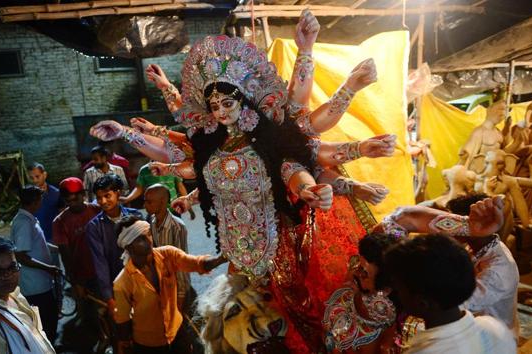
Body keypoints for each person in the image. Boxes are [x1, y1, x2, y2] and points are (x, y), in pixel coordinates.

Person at [89, 10, 392, 352]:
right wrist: (125, 132)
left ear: (244, 99)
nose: (220, 110)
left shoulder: (268, 141)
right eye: (214, 104)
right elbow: (173, 155)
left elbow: (291, 168)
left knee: (292, 328)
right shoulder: (208, 146)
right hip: (238, 255)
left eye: (227, 101)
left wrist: (308, 190)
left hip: (279, 252)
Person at [384, 234, 516, 354]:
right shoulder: (494, 328)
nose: (397, 293)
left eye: (399, 288)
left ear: (422, 303)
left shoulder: (423, 351)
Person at [113, 215, 227, 354]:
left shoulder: (167, 254)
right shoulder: (122, 282)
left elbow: (196, 263)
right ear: (128, 246)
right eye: (140, 239)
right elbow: (123, 320)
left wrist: (221, 258)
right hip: (149, 345)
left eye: (148, 234)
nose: (148, 241)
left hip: (177, 332)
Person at [446, 194, 519, 337]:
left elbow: (459, 305)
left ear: (474, 224)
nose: (446, 228)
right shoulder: (476, 247)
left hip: (493, 340)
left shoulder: (497, 270)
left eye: (451, 223)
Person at [323, 233, 401, 354]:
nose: (354, 273)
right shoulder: (350, 288)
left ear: (385, 290)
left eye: (364, 274)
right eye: (356, 263)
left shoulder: (384, 341)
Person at [10, 185, 61, 343]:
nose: (41, 203)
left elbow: (41, 244)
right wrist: (49, 268)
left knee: (49, 318)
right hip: (35, 286)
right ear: (34, 202)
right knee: (45, 322)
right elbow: (21, 256)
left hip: (41, 283)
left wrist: (60, 249)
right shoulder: (24, 223)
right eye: (40, 200)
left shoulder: (30, 219)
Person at [85, 174, 142, 317]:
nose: (103, 201)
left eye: (107, 196)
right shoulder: (94, 227)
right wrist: (109, 297)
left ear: (118, 193)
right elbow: (100, 263)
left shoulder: (137, 217)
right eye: (99, 198)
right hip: (116, 284)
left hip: (140, 281)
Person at [52, 177, 100, 320]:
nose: (73, 204)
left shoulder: (97, 210)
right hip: (81, 273)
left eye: (76, 199)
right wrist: (75, 281)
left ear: (83, 194)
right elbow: (65, 254)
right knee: (88, 311)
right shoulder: (60, 222)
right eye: (69, 201)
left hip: (101, 269)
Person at [144, 184, 191, 309]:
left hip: (177, 284)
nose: (145, 206)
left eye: (149, 202)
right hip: (162, 282)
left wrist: (181, 294)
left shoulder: (177, 227)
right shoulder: (151, 222)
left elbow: (181, 262)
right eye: (145, 201)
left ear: (163, 201)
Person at [120, 162, 190, 217]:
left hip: (173, 208)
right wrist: (127, 198)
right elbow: (139, 188)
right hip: (154, 209)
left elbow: (180, 186)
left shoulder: (172, 168)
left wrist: (188, 204)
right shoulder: (144, 170)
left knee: (176, 231)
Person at [28, 163, 62, 241]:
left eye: (37, 176)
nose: (35, 180)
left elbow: (62, 216)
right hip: (37, 238)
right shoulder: (28, 197)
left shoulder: (56, 193)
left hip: (55, 237)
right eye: (31, 178)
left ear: (45, 175)